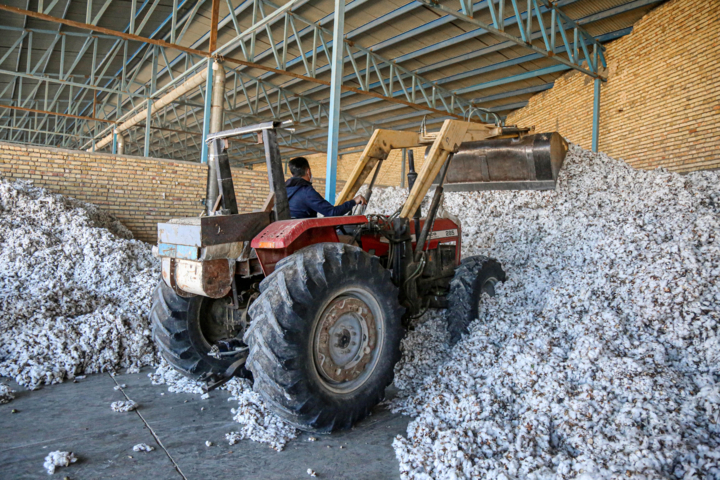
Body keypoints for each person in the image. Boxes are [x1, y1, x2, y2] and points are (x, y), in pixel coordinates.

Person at [285, 157, 366, 219]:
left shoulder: (286, 190)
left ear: (293, 175)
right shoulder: (306, 192)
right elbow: (332, 213)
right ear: (308, 172)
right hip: (305, 236)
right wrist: (353, 202)